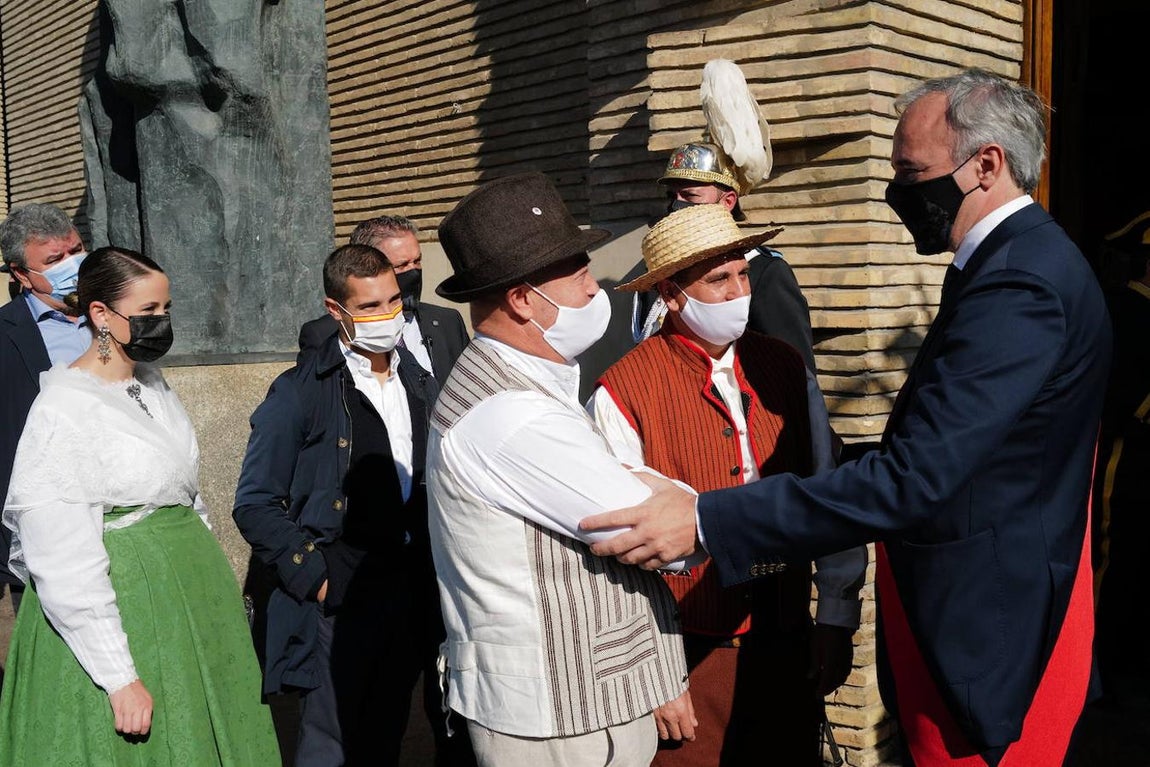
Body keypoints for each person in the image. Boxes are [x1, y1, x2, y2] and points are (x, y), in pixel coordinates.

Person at [582, 68, 1113, 766]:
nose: (898, 192)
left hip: (989, 633)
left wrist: (708, 518)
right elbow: (956, 445)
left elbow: (915, 477)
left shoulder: (1020, 283)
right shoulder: (1016, 264)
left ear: (986, 164)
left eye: (910, 170)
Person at [427, 170, 691, 767]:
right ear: (524, 299)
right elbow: (667, 539)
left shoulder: (521, 383)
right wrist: (662, 487)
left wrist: (639, 479)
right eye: (577, 274)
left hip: (577, 707)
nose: (596, 287)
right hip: (561, 718)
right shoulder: (512, 415)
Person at [589, 203, 866, 766]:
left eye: (743, 273)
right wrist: (657, 673)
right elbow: (616, 555)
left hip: (786, 631)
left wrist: (836, 615)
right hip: (690, 649)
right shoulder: (623, 388)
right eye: (718, 280)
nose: (739, 291)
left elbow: (826, 492)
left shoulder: (784, 366)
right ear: (671, 295)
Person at [0, 246, 280, 765]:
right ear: (101, 314)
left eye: (166, 309)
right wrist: (118, 676)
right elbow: (61, 557)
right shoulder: (63, 407)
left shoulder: (150, 385)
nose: (161, 322)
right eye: (148, 312)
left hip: (189, 608)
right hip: (129, 611)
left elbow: (185, 496)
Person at [234, 244, 449, 766]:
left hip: (411, 584)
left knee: (386, 732)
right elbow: (255, 502)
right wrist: (316, 575)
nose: (388, 316)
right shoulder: (299, 392)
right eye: (370, 307)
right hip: (342, 589)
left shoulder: (420, 380)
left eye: (394, 301)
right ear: (337, 311)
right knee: (330, 742)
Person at [627, 59, 817, 373]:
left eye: (689, 196)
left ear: (727, 201)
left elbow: (796, 376)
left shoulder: (764, 272)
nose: (676, 206)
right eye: (671, 196)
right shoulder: (656, 272)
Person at [0, 203, 90, 614]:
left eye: (77, 249)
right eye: (54, 260)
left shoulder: (119, 315)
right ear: (22, 274)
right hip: (45, 533)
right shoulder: (5, 336)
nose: (72, 263)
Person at [1090, 211, 1150, 714]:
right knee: (1112, 558)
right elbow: (1115, 387)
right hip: (1124, 456)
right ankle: (1096, 671)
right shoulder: (1122, 309)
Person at [298, 215, 469, 380]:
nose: (414, 272)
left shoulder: (448, 322)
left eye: (417, 261)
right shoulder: (323, 334)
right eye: (401, 265)